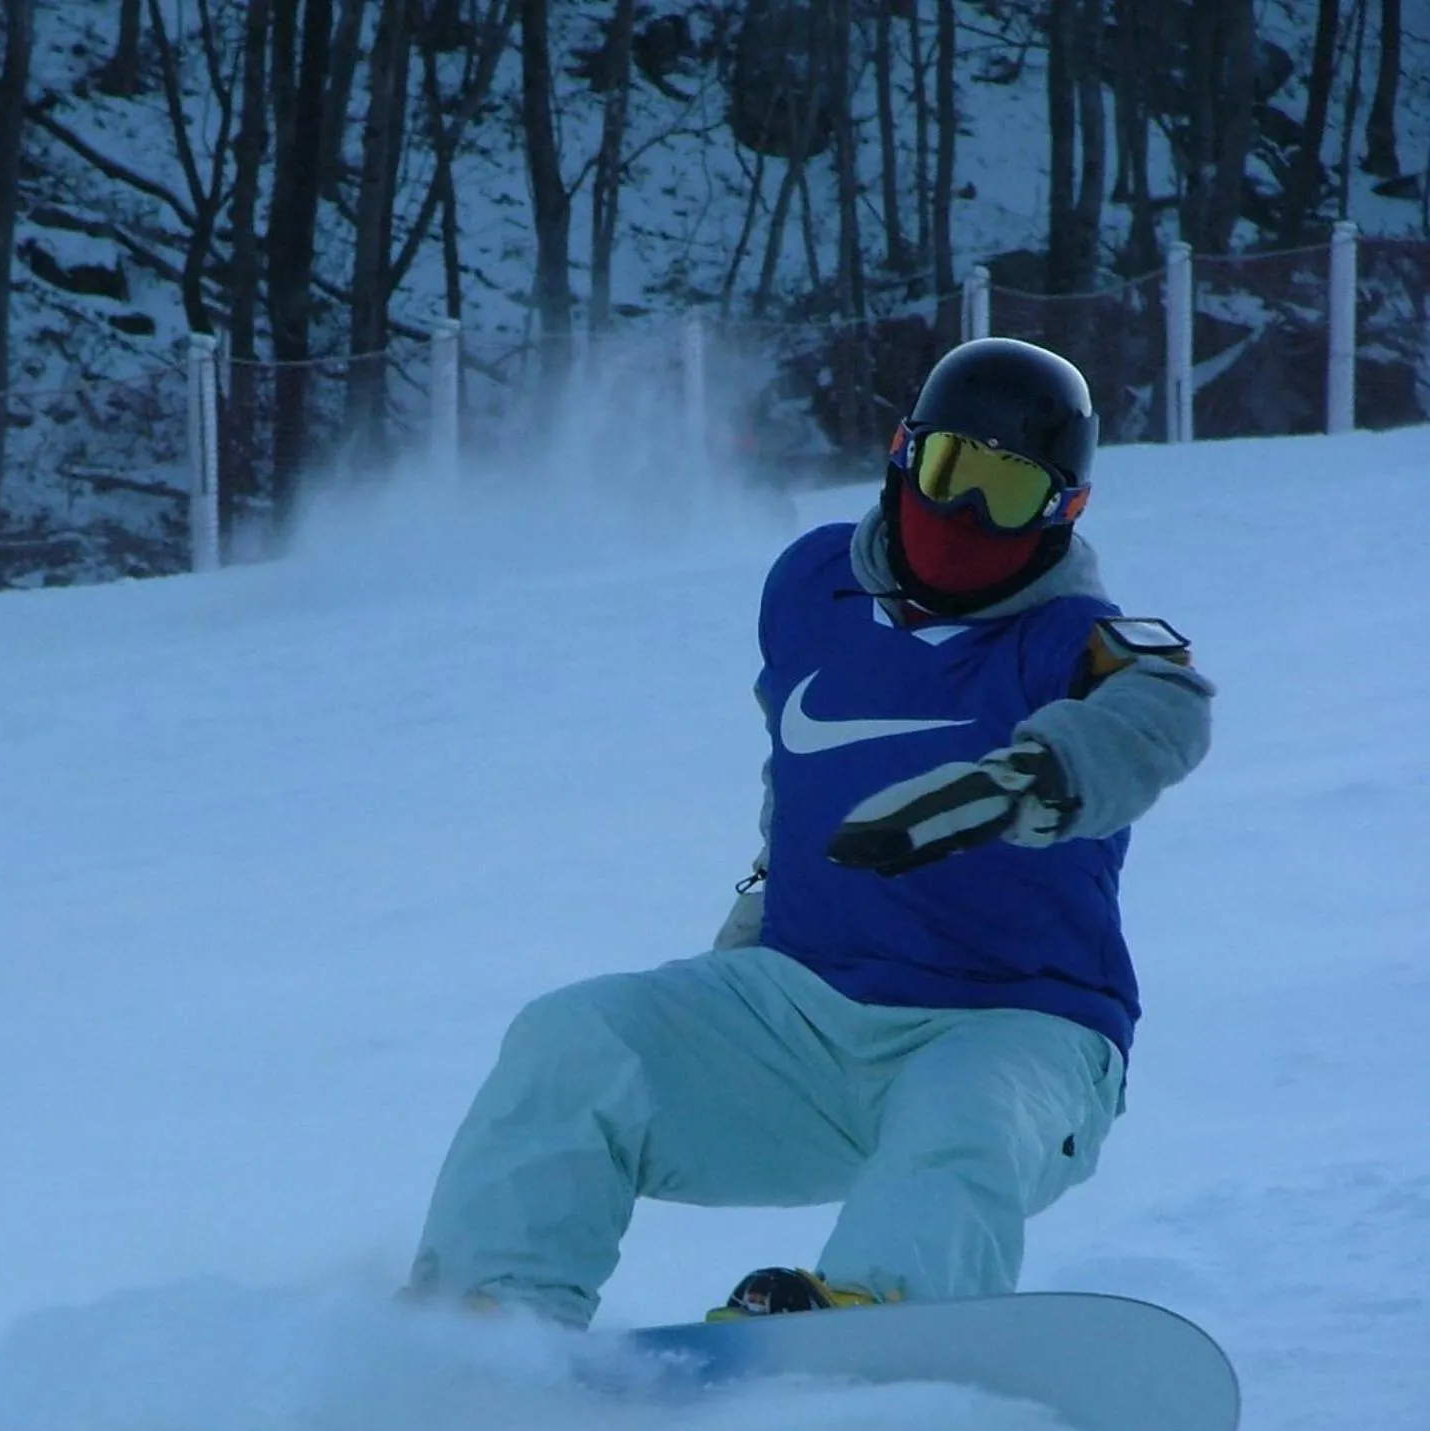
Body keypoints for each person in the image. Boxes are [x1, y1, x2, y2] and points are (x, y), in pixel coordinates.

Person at [405, 337, 1214, 1326]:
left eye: (1003, 494)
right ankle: (486, 1324)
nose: (962, 513)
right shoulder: (811, 586)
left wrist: (1023, 782)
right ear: (900, 451)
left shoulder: (1072, 642)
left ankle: (868, 1323)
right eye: (950, 471)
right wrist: (762, 904)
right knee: (575, 1039)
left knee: (961, 1119)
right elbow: (800, 759)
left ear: (1061, 512)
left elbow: (1161, 714)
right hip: (803, 1010)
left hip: (1019, 1029)